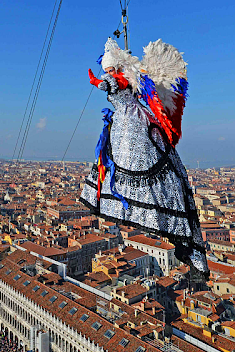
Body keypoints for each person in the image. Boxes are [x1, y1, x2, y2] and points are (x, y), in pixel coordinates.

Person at [80, 38, 210, 282]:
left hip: (130, 125)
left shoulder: (118, 79)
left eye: (109, 68)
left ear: (116, 67)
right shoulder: (126, 78)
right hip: (129, 123)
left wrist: (97, 81)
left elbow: (109, 84)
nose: (107, 72)